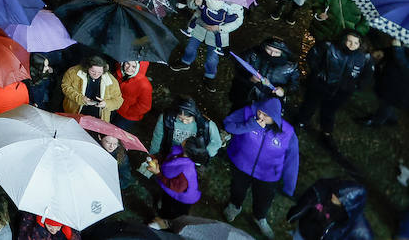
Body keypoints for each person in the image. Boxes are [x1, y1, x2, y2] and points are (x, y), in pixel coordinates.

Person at [224, 96, 300, 238]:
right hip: (241, 166)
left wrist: (289, 185)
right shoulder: (248, 113)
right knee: (237, 188)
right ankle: (234, 205)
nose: (261, 116)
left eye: (266, 115)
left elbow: (292, 160)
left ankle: (259, 217)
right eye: (260, 112)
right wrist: (250, 125)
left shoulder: (288, 133)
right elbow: (228, 125)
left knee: (264, 198)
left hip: (268, 175)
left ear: (276, 117)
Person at [296, 29, 370, 135]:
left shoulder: (363, 57)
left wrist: (355, 86)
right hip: (321, 84)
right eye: (349, 41)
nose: (352, 45)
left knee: (329, 111)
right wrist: (317, 73)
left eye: (356, 43)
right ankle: (300, 122)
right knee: (309, 105)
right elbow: (313, 57)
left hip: (342, 91)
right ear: (344, 40)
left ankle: (326, 132)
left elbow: (366, 75)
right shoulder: (328, 46)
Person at [175, 0, 243, 79]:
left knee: (212, 58)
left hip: (218, 33)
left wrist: (219, 28)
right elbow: (190, 0)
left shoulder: (237, 0)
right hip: (199, 24)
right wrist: (195, 2)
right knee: (190, 47)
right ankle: (185, 62)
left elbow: (238, 21)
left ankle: (209, 75)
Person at [144, 135, 206, 229]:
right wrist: (157, 160)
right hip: (171, 191)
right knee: (166, 203)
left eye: (187, 140)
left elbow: (175, 187)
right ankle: (162, 215)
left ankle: (165, 224)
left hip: (180, 199)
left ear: (187, 150)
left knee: (173, 214)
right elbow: (169, 160)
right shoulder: (183, 154)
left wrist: (158, 173)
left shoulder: (186, 172)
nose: (184, 139)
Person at [286, 179, 372, 240]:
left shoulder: (357, 230)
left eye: (338, 197)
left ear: (347, 205)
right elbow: (319, 189)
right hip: (302, 232)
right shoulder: (326, 194)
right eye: (336, 193)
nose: (333, 195)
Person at [61, 56, 123, 121]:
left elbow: (118, 101)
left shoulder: (111, 81)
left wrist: (106, 104)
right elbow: (65, 86)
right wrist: (80, 98)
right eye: (93, 71)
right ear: (87, 67)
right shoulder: (73, 72)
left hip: (98, 117)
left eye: (99, 72)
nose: (96, 74)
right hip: (74, 112)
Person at [113, 60, 152, 134]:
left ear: (139, 68)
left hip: (127, 117)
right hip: (115, 109)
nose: (129, 68)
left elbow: (145, 106)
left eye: (134, 66)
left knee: (115, 135)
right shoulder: (120, 74)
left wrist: (128, 111)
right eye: (127, 63)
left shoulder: (144, 85)